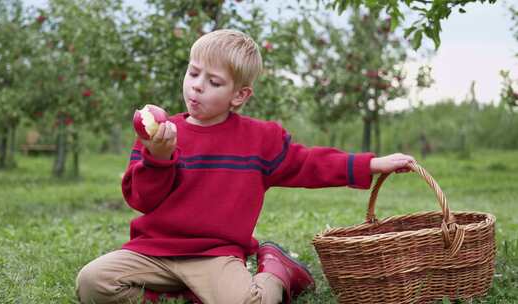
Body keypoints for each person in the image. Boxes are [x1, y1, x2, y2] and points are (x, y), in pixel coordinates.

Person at [76, 29, 416, 304]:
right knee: (93, 283)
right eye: (193, 73)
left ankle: (277, 271)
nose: (197, 85)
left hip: (213, 254)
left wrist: (372, 163)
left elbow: (309, 163)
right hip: (155, 250)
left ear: (239, 96)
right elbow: (141, 201)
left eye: (214, 81)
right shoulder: (159, 136)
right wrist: (159, 158)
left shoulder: (258, 139)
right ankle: (185, 294)